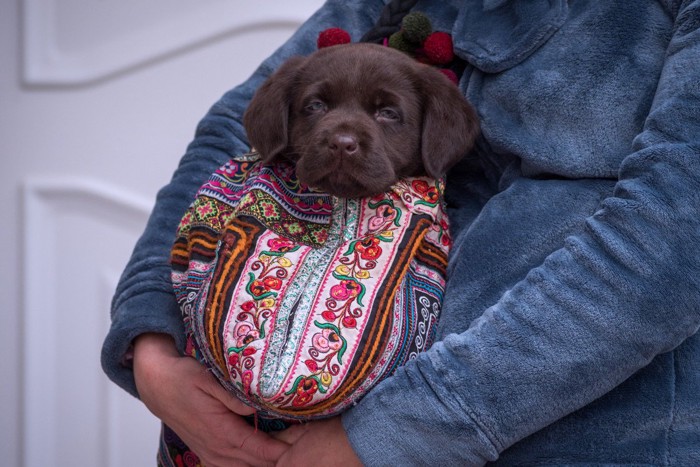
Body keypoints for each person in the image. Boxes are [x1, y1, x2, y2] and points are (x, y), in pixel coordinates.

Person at [101, 0, 700, 465]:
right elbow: (238, 135)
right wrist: (155, 342)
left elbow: (671, 242)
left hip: (591, 435)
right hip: (318, 418)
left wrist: (398, 432)